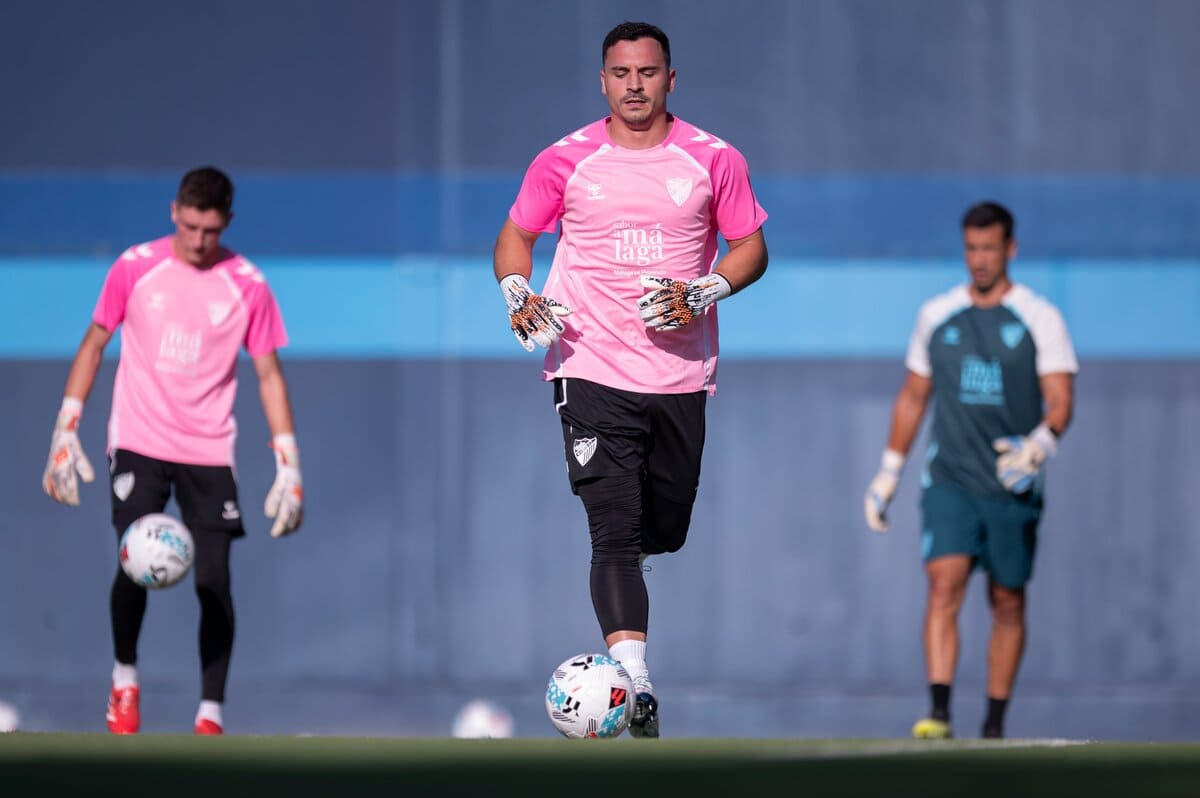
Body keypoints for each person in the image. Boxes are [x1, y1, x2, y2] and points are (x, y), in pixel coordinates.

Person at [493, 21, 768, 738]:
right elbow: (516, 235)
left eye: (648, 73)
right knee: (611, 532)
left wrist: (705, 291)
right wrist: (518, 293)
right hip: (589, 365)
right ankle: (636, 687)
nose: (635, 85)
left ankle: (641, 561)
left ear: (670, 80)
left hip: (679, 376)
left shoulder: (714, 159)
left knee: (664, 528)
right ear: (603, 81)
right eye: (621, 73)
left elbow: (751, 248)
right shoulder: (564, 160)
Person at [42, 166, 304, 735]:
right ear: (173, 213)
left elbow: (268, 374)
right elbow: (94, 342)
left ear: (226, 223)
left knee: (213, 580)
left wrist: (289, 462)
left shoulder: (248, 284)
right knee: (133, 562)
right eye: (189, 226)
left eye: (209, 230)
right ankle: (124, 682)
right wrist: (66, 429)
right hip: (139, 439)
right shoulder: (136, 268)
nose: (198, 241)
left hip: (208, 448)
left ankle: (210, 716)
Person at [864, 201, 1077, 739]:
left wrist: (1040, 444)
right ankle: (937, 713)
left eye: (989, 248)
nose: (979, 259)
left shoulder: (1040, 317)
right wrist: (888, 474)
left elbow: (1060, 399)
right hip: (950, 479)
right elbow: (913, 398)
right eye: (971, 248)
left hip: (1011, 482)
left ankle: (995, 724)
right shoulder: (937, 316)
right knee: (943, 583)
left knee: (1007, 599)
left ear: (1010, 249)